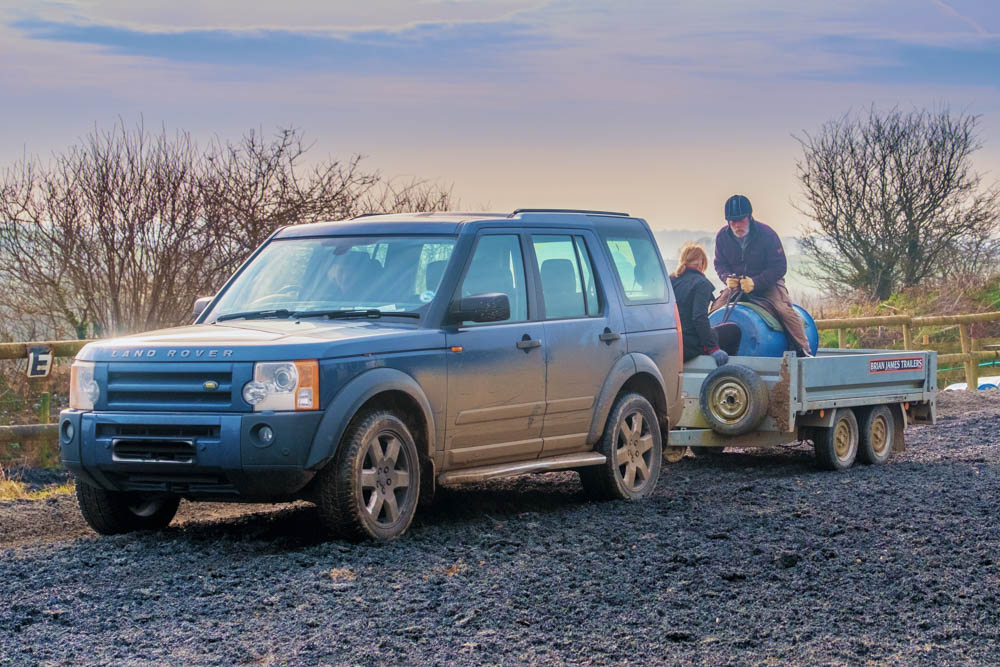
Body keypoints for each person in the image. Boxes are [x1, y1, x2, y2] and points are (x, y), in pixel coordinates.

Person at [712, 194, 812, 357]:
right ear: (727, 222)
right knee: (716, 308)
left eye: (741, 220)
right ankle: (709, 348)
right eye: (732, 221)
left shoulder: (767, 234)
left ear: (750, 217)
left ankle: (804, 350)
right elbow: (719, 264)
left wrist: (756, 283)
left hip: (768, 284)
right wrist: (726, 278)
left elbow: (780, 266)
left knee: (784, 310)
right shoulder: (722, 237)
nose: (737, 225)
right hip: (737, 286)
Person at [671, 243, 741, 366]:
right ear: (702, 264)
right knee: (733, 330)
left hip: (672, 345)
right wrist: (713, 348)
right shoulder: (702, 284)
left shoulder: (671, 279)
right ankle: (724, 374)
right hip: (690, 346)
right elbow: (699, 318)